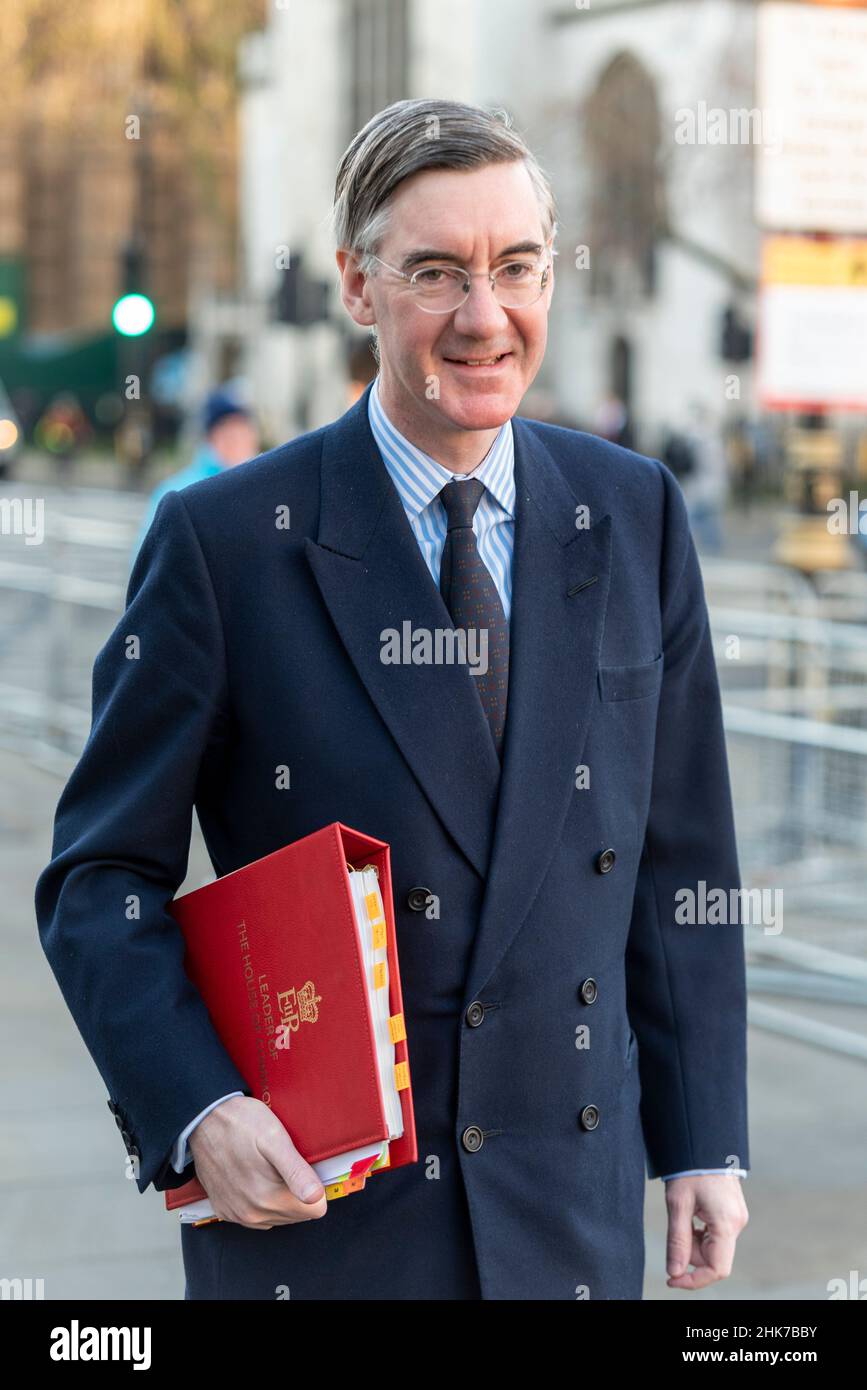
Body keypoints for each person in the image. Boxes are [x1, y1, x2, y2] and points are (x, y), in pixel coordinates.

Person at [35, 98, 749, 1301]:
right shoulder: (224, 541)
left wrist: (702, 1139)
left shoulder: (635, 512)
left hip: (570, 1226)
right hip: (321, 1224)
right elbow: (99, 877)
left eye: (516, 266)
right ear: (357, 289)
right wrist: (197, 1106)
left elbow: (681, 861)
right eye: (436, 273)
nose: (486, 317)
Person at [131, 388, 259, 562]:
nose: (239, 440)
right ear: (211, 437)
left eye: (244, 429)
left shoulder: (262, 487)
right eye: (229, 431)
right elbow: (147, 564)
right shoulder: (178, 491)